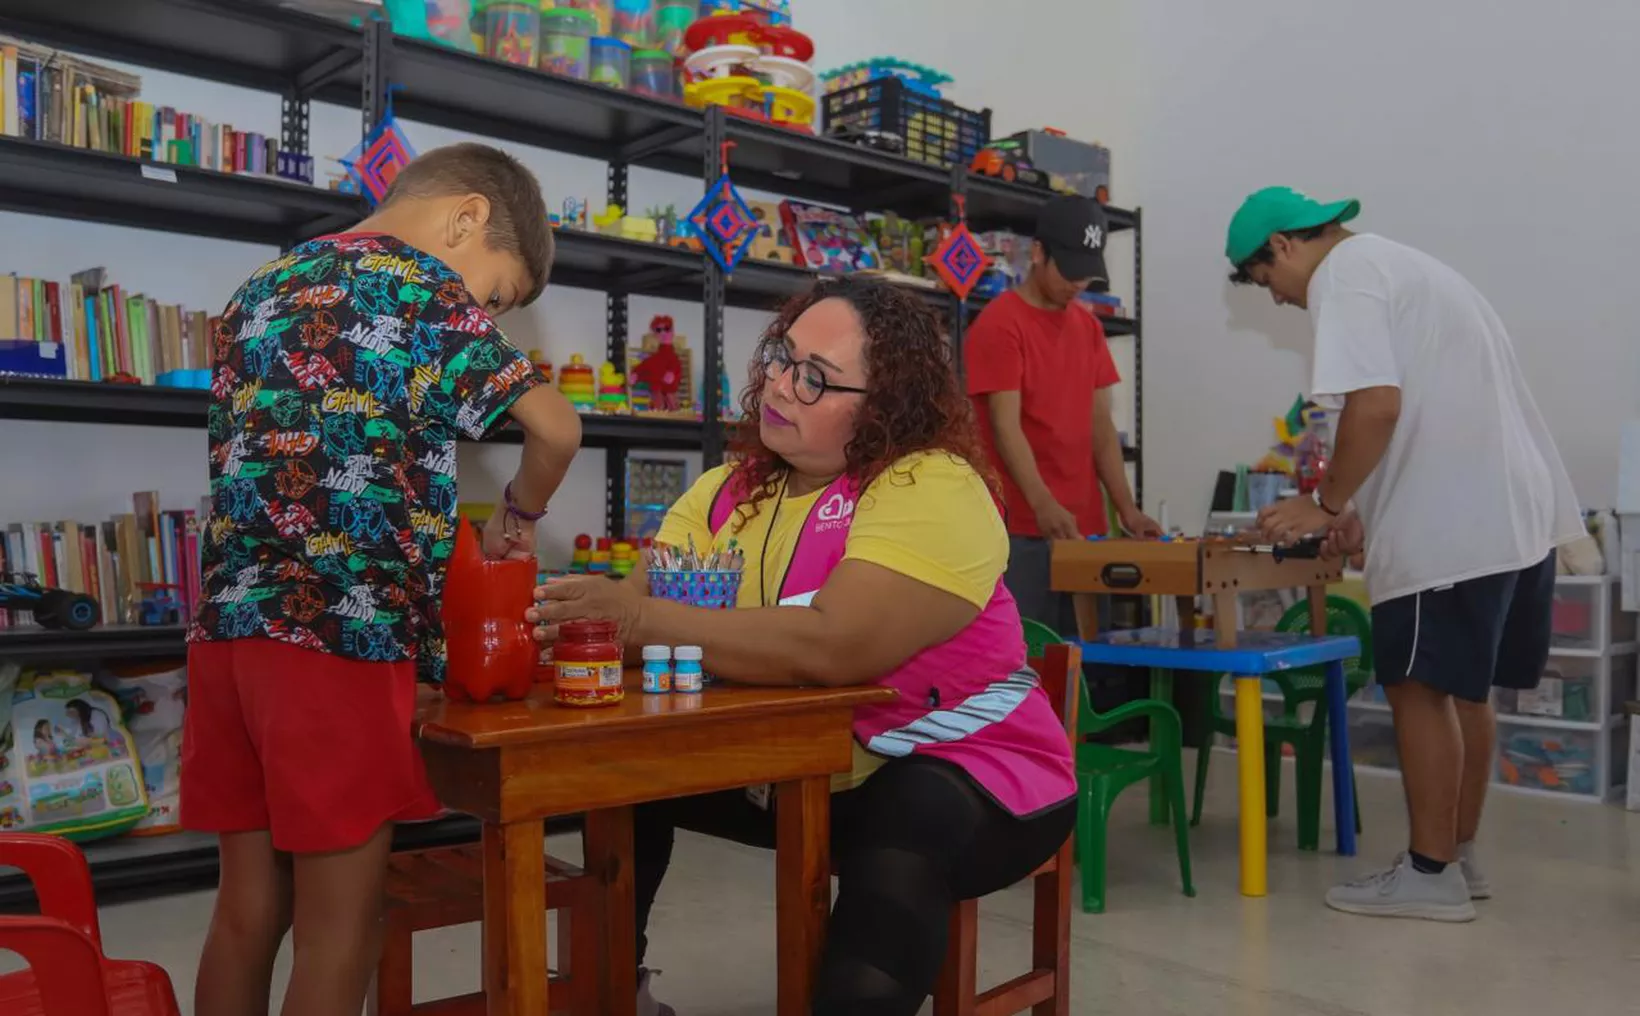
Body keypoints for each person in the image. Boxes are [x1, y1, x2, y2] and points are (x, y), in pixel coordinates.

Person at [530, 277, 1077, 1016]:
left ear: (886, 402)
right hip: (803, 767)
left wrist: (636, 620)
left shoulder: (929, 485)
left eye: (816, 378)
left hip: (973, 768)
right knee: (623, 773)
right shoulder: (725, 492)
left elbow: (836, 645)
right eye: (783, 360)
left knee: (907, 821)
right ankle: (612, 994)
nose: (783, 386)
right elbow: (637, 622)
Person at [182, 143, 583, 1016]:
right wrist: (517, 514)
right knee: (344, 927)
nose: (484, 314)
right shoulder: (422, 290)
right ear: (465, 219)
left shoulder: (262, 283)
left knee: (247, 911)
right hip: (340, 633)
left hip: (226, 633)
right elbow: (557, 429)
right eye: (495, 296)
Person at [1230, 186, 1583, 922]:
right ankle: (1455, 855)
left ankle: (1428, 874)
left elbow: (1378, 407)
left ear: (1287, 246)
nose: (1280, 301)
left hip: (1452, 524)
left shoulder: (1345, 276)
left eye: (1268, 282)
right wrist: (1359, 511)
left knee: (1417, 686)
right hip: (1514, 515)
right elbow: (1426, 409)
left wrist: (1321, 504)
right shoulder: (1410, 269)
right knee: (1466, 688)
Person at [964, 194, 1159, 636]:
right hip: (1020, 530)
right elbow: (1004, 425)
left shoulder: (1088, 327)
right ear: (1037, 254)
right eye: (1069, 272)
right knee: (1024, 661)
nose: (1077, 284)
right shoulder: (1000, 324)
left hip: (1085, 530)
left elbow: (1101, 429)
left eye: (1087, 274)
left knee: (1089, 664)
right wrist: (1042, 502)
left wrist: (1127, 510)